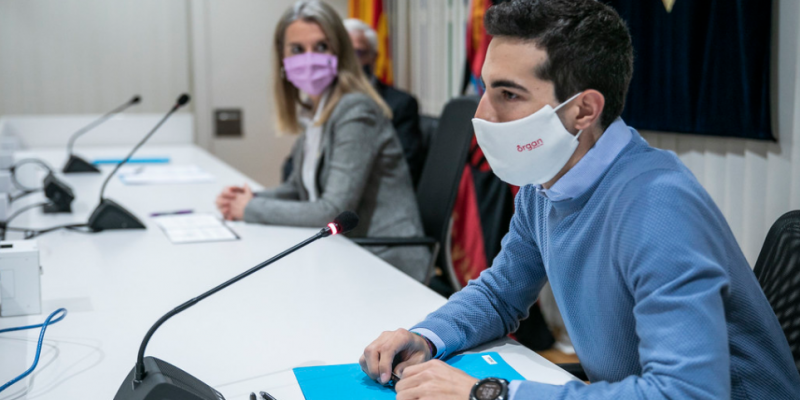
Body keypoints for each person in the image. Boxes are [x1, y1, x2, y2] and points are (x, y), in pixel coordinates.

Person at [359, 1, 800, 399]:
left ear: (584, 110)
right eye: (485, 89)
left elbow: (687, 394)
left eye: (508, 95)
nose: (482, 115)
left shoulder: (659, 205)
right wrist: (426, 337)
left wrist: (491, 394)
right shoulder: (544, 184)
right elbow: (499, 294)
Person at [215, 0, 430, 283]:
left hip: (386, 263)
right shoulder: (318, 110)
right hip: (346, 255)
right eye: (296, 49)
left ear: (340, 53)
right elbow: (298, 188)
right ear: (282, 60)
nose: (308, 58)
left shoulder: (355, 110)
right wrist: (247, 199)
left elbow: (332, 210)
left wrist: (251, 209)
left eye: (320, 47)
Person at [344, 18, 425, 186]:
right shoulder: (325, 101)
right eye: (345, 54)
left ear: (374, 57)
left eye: (358, 53)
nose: (351, 62)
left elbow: (404, 169)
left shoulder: (401, 104)